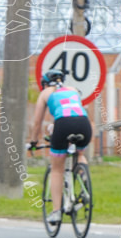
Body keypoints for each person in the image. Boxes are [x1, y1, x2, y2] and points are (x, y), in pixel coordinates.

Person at [27, 69, 93, 228]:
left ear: (44, 83)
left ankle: (56, 211)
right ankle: (83, 174)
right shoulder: (73, 90)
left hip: (63, 125)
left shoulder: (45, 94)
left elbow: (37, 123)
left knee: (57, 169)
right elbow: (72, 110)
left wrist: (34, 142)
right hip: (83, 123)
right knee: (79, 152)